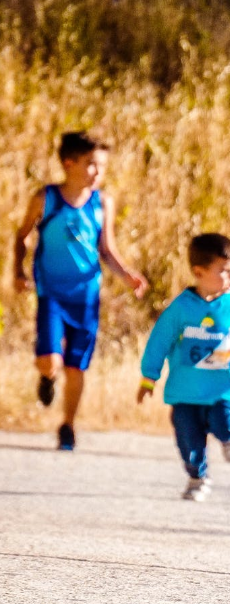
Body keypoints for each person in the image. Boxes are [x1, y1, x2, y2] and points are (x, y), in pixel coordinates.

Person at [12, 131, 148, 450]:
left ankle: (68, 425)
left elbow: (107, 248)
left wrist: (127, 275)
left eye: (102, 166)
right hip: (51, 294)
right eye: (91, 164)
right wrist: (18, 271)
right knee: (50, 361)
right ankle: (46, 378)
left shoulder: (102, 203)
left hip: (86, 297)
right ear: (68, 163)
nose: (98, 172)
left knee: (77, 366)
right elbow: (21, 237)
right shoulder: (46, 198)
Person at [137, 234, 230, 502]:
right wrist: (148, 378)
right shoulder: (181, 308)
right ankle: (197, 478)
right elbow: (159, 342)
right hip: (185, 393)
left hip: (224, 390)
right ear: (198, 272)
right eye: (224, 271)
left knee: (225, 424)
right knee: (188, 440)